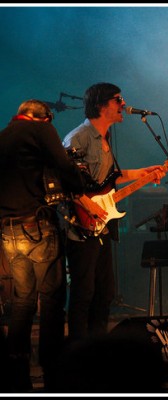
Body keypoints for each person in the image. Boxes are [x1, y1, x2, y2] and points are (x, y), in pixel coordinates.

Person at [62, 82, 165, 343]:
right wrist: (88, 205)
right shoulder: (78, 138)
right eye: (118, 99)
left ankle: (97, 349)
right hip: (81, 226)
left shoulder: (105, 138)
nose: (123, 104)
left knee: (104, 292)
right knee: (83, 292)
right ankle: (77, 353)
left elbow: (107, 179)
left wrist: (143, 173)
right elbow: (67, 182)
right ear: (100, 105)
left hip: (102, 225)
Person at [0, 99, 86, 391]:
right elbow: (63, 166)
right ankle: (53, 374)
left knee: (22, 301)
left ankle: (16, 377)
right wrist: (80, 183)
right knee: (51, 300)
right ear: (43, 118)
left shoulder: (4, 135)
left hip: (9, 230)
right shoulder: (40, 131)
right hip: (38, 227)